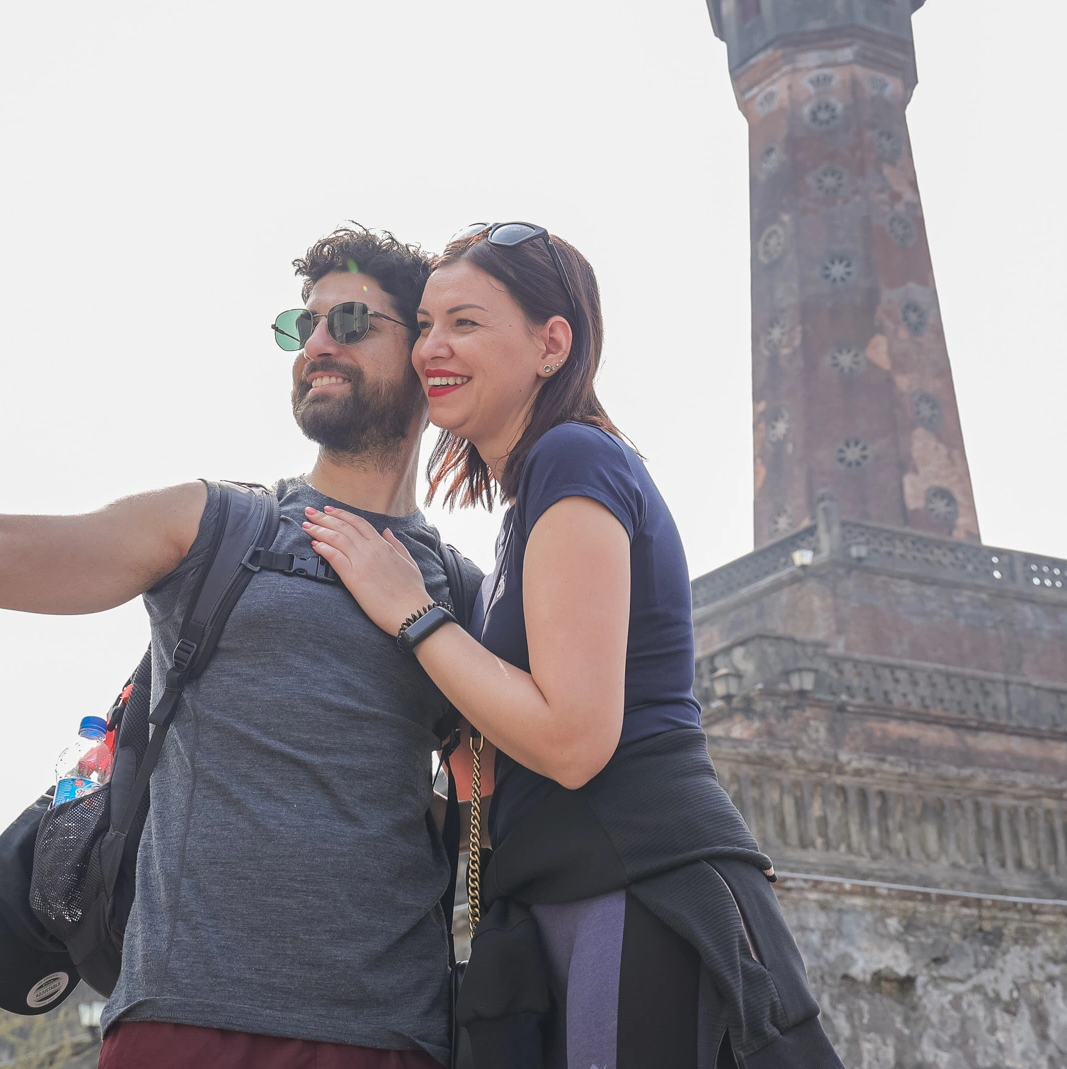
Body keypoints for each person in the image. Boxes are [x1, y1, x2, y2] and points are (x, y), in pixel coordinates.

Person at [0, 226, 475, 1069]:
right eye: (302, 325)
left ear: (427, 351)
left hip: (392, 1035)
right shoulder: (217, 526)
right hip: (180, 1023)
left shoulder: (462, 594)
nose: (316, 344)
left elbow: (493, 803)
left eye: (351, 321)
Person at [305, 222, 844, 1069]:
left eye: (467, 323)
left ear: (552, 342)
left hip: (633, 886)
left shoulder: (573, 456)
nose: (430, 347)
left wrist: (414, 614)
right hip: (572, 894)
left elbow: (574, 738)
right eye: (428, 324)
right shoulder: (527, 508)